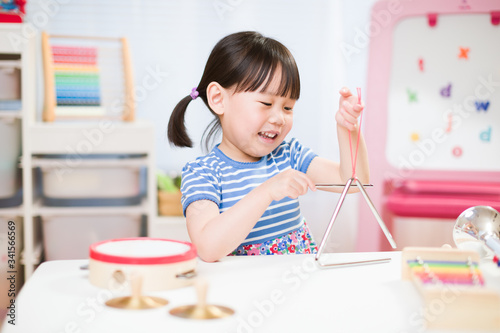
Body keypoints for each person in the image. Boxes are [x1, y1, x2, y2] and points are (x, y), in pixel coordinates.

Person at [167, 31, 369, 262]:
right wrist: (267, 191)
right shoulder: (203, 174)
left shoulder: (289, 155)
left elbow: (354, 182)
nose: (279, 119)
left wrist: (348, 128)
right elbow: (208, 247)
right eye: (266, 103)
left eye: (288, 107)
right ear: (218, 99)